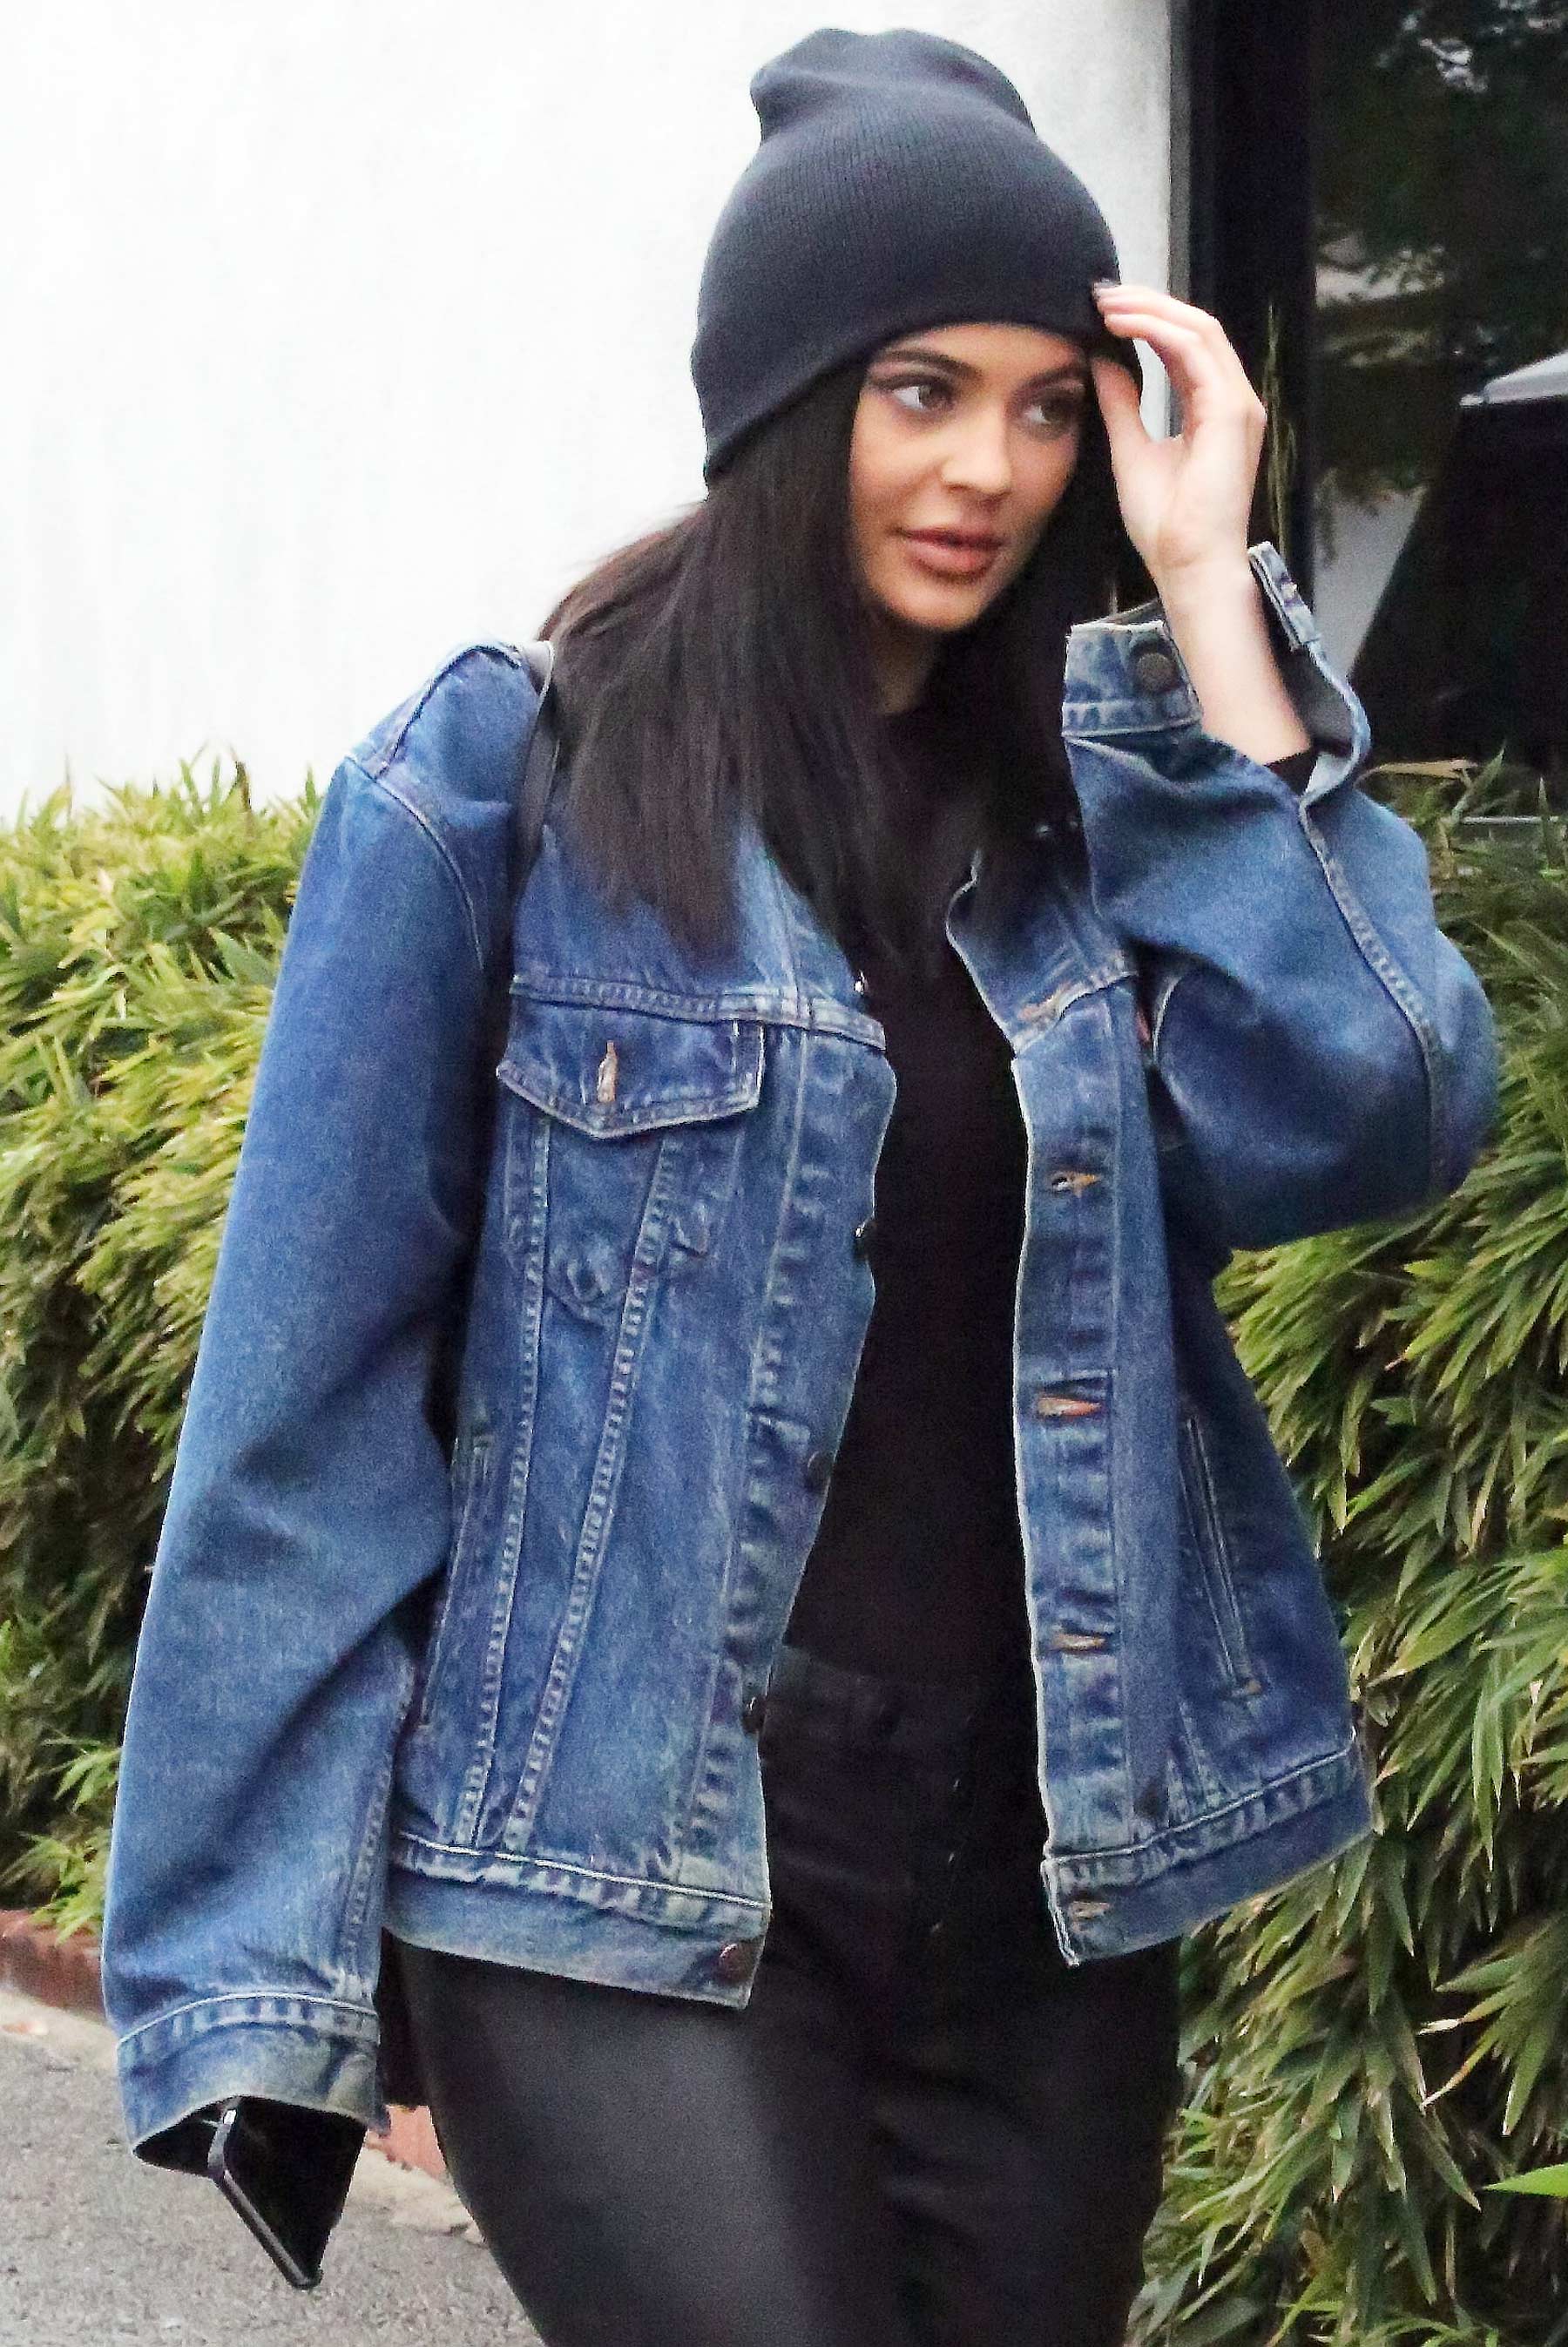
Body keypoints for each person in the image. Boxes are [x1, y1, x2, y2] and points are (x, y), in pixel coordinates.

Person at [99, 26, 1498, 2347]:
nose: (987, 469)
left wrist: (1210, 596)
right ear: (782, 402)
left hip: (1038, 1899)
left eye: (1044, 408)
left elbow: (1378, 1105)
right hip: (620, 1872)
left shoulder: (1099, 818)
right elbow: (301, 1414)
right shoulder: (502, 786)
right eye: (918, 392)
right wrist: (257, 1976)